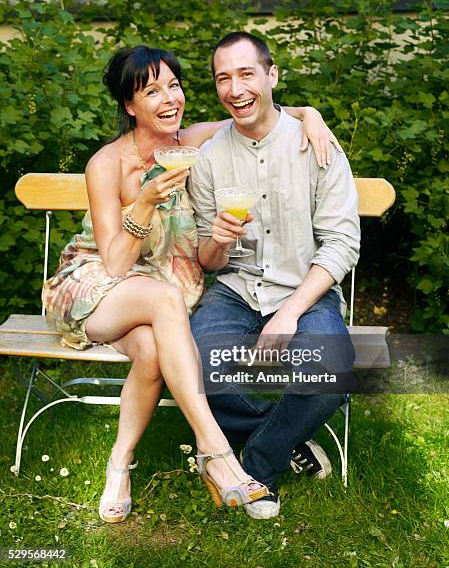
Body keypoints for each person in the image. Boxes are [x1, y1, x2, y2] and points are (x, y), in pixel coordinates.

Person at [42, 45, 340, 523]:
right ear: (129, 104)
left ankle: (119, 465)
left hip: (160, 297)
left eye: (174, 86)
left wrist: (312, 115)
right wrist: (141, 204)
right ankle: (217, 453)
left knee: (154, 352)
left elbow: (258, 111)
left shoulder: (193, 140)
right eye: (151, 90)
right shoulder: (107, 164)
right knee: (162, 301)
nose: (168, 99)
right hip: (97, 287)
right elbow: (116, 263)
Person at [188, 32, 361, 519]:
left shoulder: (316, 144)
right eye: (224, 78)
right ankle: (282, 435)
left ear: (272, 75)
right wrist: (218, 240)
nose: (235, 88)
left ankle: (257, 464)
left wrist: (289, 312)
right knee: (191, 360)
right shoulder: (210, 157)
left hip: (304, 290)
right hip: (235, 291)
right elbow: (208, 261)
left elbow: (343, 242)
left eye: (246, 73)